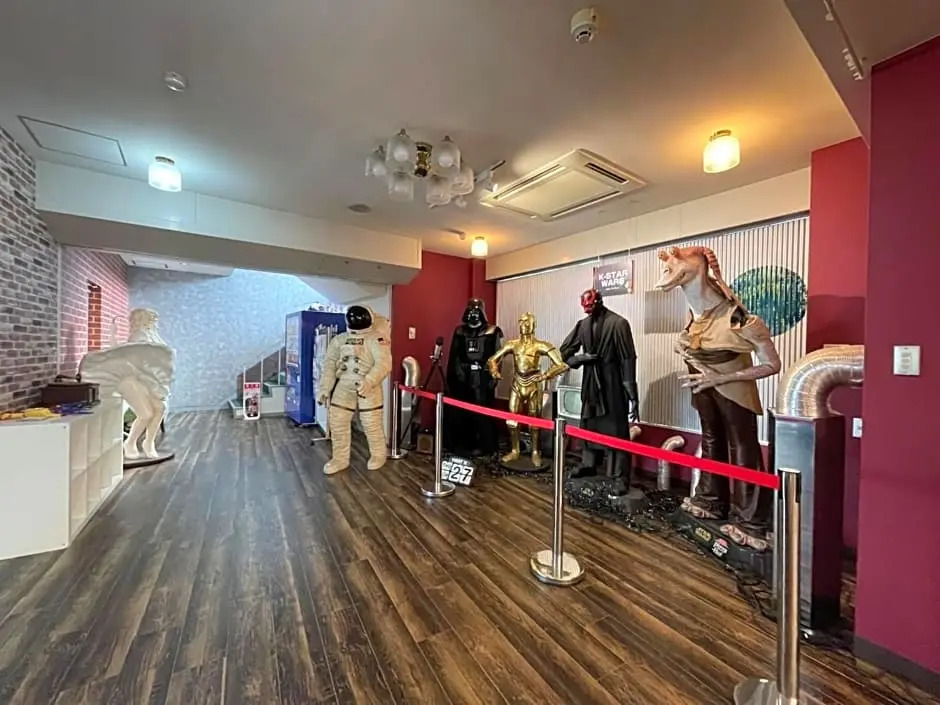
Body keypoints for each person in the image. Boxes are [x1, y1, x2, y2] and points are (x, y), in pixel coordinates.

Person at [559, 288, 640, 496]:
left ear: (598, 302)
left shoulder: (618, 323)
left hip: (612, 384)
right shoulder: (583, 325)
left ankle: (619, 475)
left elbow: (628, 359)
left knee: (616, 429)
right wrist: (581, 359)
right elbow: (565, 352)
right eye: (584, 306)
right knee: (588, 423)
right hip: (590, 383)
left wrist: (631, 392)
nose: (587, 310)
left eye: (590, 306)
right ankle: (589, 463)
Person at [445, 298, 503, 456]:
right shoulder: (460, 331)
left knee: (482, 411)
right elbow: (455, 357)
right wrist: (458, 375)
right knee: (462, 410)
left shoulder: (492, 331)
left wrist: (493, 378)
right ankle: (463, 444)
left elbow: (497, 357)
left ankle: (485, 445)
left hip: (483, 377)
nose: (473, 314)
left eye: (476, 311)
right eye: (470, 311)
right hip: (464, 377)